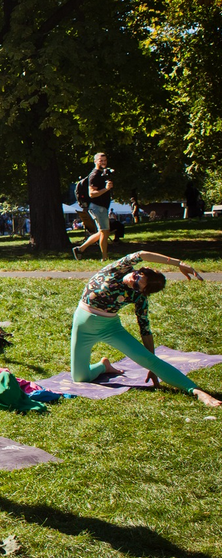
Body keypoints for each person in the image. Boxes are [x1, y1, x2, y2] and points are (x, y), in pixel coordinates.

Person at [70, 251, 220, 407]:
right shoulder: (117, 270)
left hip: (110, 329)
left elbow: (145, 329)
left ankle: (196, 391)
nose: (131, 280)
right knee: (80, 378)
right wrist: (178, 263)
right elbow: (142, 254)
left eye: (136, 286)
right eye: (136, 276)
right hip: (82, 327)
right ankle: (104, 366)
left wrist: (151, 365)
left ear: (142, 291)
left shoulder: (139, 297)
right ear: (141, 270)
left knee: (151, 360)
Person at [74, 153, 114, 260]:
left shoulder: (102, 174)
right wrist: (106, 189)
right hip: (97, 207)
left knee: (103, 232)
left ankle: (80, 249)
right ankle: (104, 258)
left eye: (105, 160)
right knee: (104, 232)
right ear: (95, 161)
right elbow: (92, 193)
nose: (103, 162)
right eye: (101, 160)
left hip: (102, 207)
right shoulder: (94, 175)